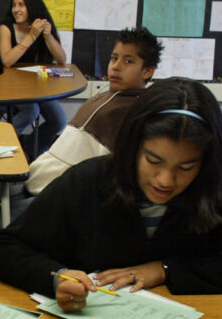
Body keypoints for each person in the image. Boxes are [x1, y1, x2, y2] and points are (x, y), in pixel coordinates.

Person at [0, 78, 222, 308]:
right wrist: (56, 276)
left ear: (206, 162)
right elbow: (3, 250)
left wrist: (166, 270)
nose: (165, 180)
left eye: (186, 167)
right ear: (132, 147)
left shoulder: (220, 187)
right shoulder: (89, 180)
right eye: (153, 161)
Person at [26, 27, 161, 195]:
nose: (116, 67)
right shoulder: (108, 94)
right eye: (114, 58)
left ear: (147, 71)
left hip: (54, 194)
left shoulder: (131, 114)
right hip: (37, 179)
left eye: (128, 61)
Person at [0, 0, 69, 158]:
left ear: (32, 7)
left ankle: (28, 149)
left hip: (33, 86)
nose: (16, 9)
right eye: (14, 5)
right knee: (31, 111)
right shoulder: (6, 27)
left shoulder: (39, 25)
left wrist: (48, 36)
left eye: (21, 5)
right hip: (7, 84)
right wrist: (31, 36)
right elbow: (7, 60)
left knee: (59, 120)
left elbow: (62, 59)